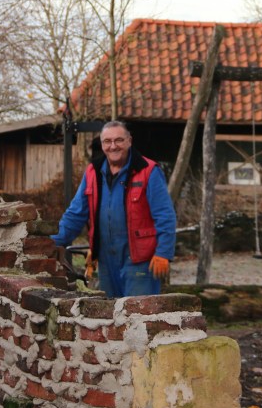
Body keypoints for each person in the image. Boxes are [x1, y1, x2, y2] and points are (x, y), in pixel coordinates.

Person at [52, 121, 176, 297]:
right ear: (102, 144)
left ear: (129, 141)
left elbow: (165, 215)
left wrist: (164, 252)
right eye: (107, 141)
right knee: (111, 316)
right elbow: (76, 212)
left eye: (119, 140)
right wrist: (56, 241)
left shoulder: (148, 171)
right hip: (106, 260)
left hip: (140, 260)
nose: (113, 146)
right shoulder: (93, 172)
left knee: (137, 316)